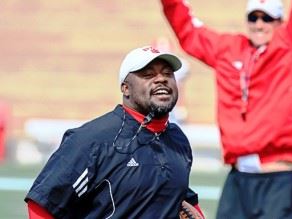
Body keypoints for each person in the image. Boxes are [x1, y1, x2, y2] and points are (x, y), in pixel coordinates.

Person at [24, 46, 205, 219]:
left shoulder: (177, 139)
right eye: (148, 74)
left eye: (167, 74)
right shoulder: (91, 140)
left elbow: (177, 194)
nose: (161, 79)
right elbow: (43, 205)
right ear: (126, 88)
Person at [160, 0, 292, 218]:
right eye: (254, 17)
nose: (259, 25)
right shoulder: (229, 49)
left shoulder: (290, 44)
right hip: (238, 178)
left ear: (280, 22)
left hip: (279, 179)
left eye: (267, 18)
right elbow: (188, 30)